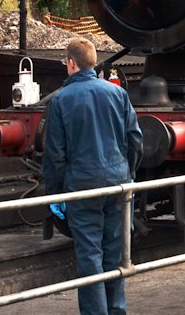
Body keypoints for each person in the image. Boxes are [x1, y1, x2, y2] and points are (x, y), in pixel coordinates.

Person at [43, 38, 143, 315]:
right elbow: (135, 139)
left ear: (71, 63)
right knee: (116, 254)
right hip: (118, 184)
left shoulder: (61, 100)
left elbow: (55, 153)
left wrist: (56, 194)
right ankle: (116, 310)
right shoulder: (117, 94)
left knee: (89, 256)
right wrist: (129, 173)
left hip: (82, 186)